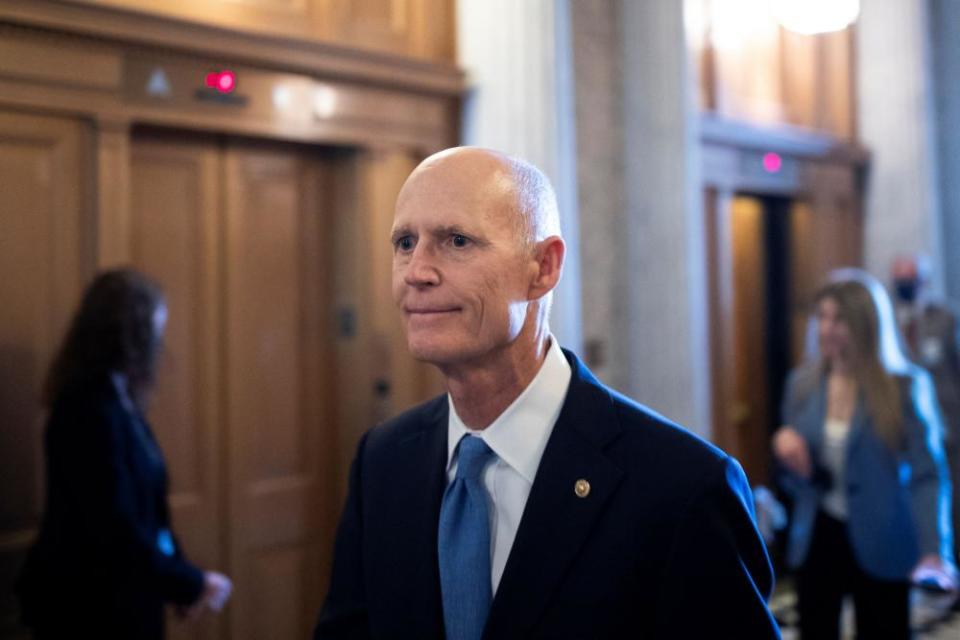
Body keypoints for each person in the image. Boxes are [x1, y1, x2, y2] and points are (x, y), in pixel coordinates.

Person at [315, 147, 779, 639]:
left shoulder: (682, 487)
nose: (417, 271)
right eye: (405, 242)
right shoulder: (384, 460)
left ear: (543, 267)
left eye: (456, 241)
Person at [15, 268, 232, 639]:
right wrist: (191, 583)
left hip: (124, 599)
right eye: (155, 332)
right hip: (87, 609)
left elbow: (150, 515)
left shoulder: (119, 401)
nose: (160, 347)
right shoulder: (86, 409)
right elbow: (115, 530)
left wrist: (176, 575)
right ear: (129, 335)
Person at [773, 270, 956, 640]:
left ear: (864, 324)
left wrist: (935, 548)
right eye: (822, 317)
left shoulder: (905, 385)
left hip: (885, 535)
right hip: (818, 535)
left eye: (838, 319)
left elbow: (927, 474)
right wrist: (789, 459)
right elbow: (792, 484)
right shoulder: (801, 385)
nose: (827, 328)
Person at [891, 254, 960, 572]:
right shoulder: (889, 320)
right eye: (899, 278)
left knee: (952, 501)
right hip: (905, 430)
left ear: (923, 281)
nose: (904, 284)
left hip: (948, 426)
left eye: (910, 278)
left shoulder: (945, 318)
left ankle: (949, 565)